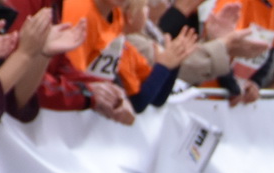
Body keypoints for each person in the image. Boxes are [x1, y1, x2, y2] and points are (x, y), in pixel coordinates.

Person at [63, 0, 198, 117]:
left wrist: (172, 62)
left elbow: (156, 99)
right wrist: (164, 65)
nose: (148, 13)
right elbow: (137, 103)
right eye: (145, 6)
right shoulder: (81, 11)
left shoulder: (122, 39)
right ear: (131, 16)